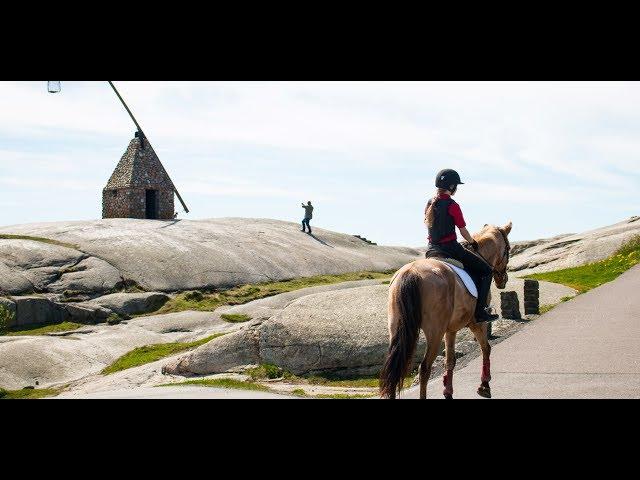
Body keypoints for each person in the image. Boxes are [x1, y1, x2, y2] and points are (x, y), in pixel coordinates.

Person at [424, 169, 499, 322]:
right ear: (451, 186)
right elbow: (463, 231)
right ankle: (479, 312)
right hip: (451, 249)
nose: (456, 189)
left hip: (431, 250)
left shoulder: (430, 203)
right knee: (486, 271)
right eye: (456, 186)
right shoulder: (452, 205)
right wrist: (472, 242)